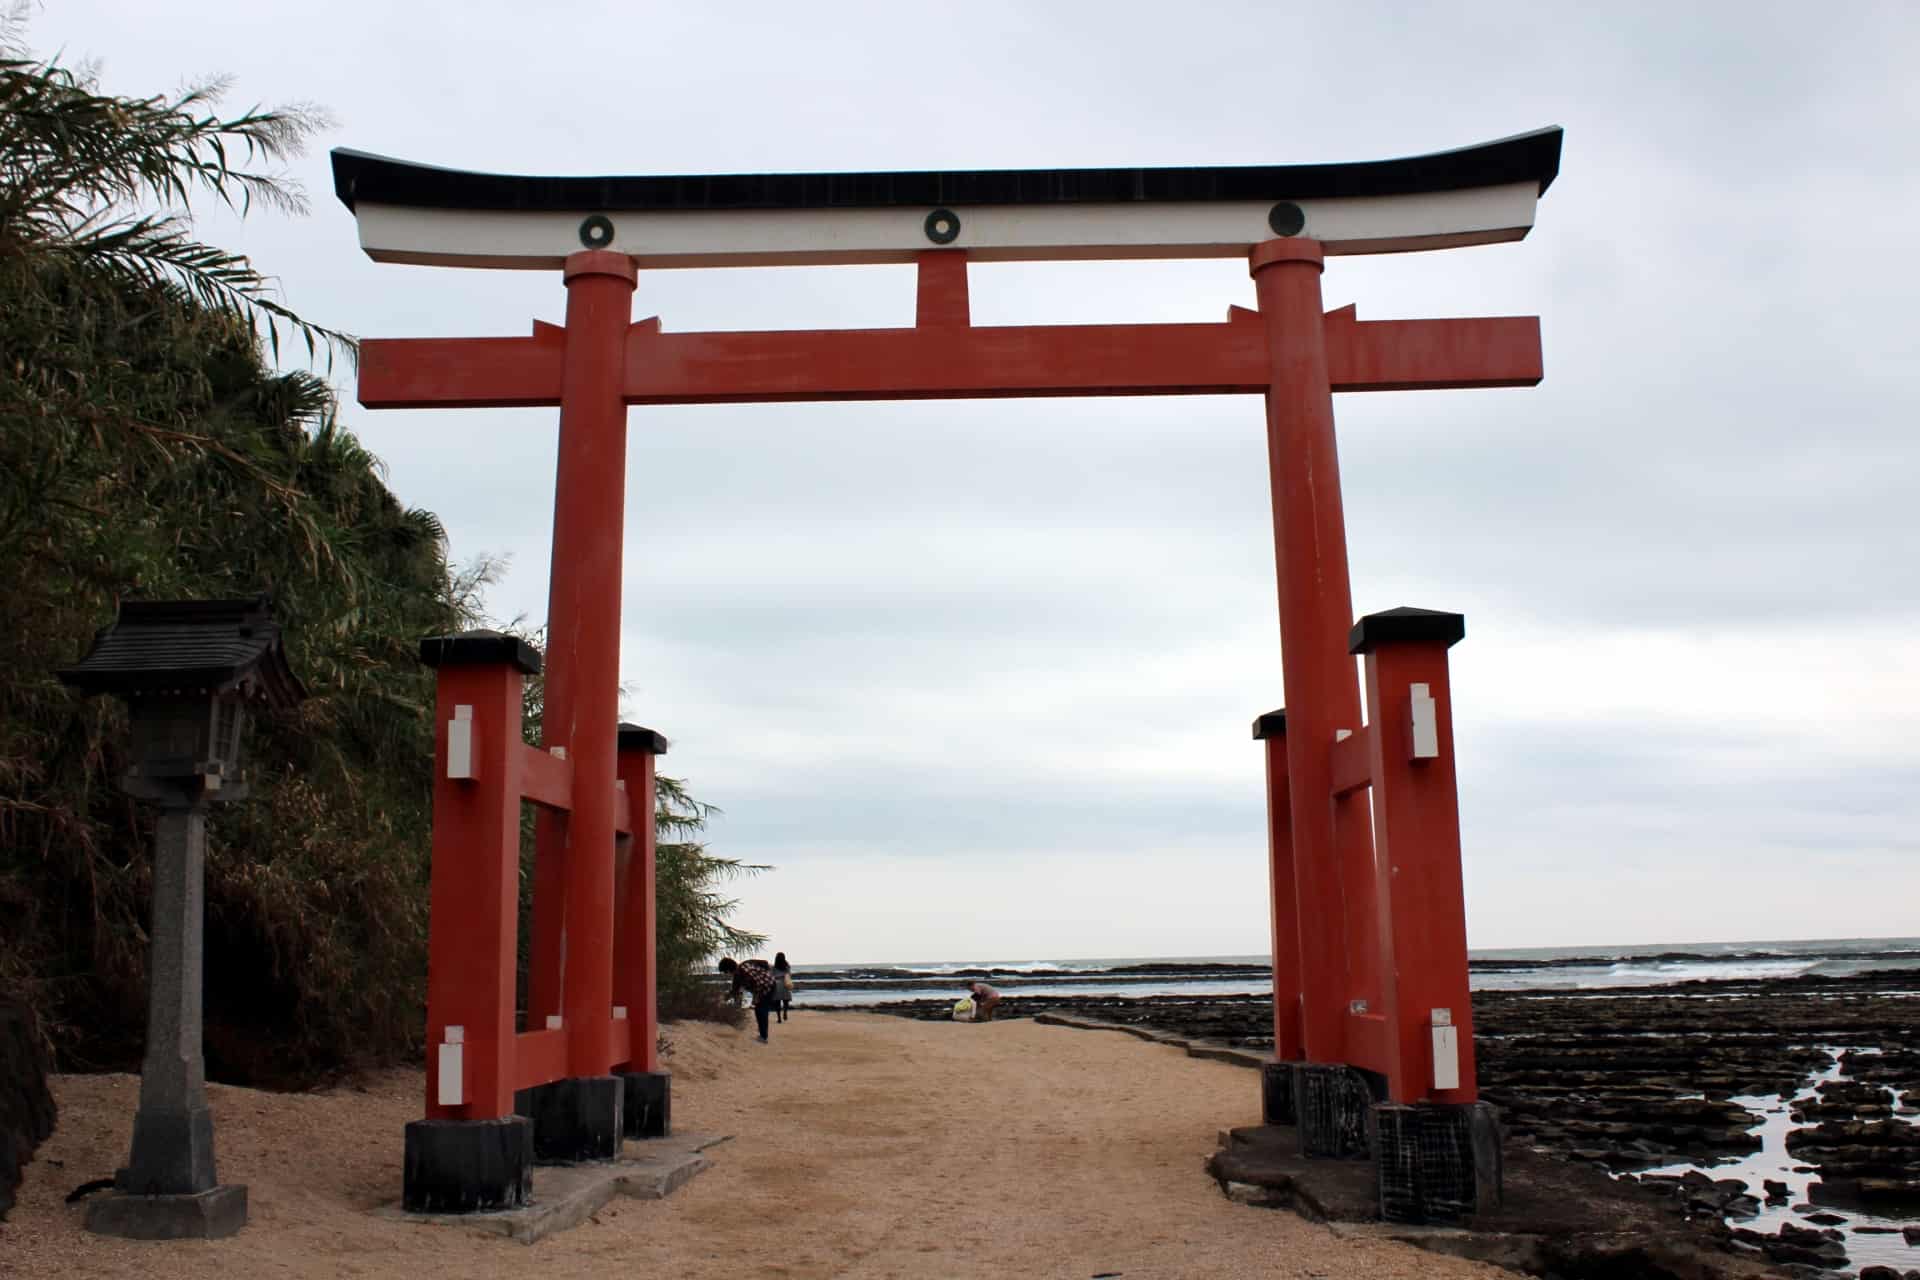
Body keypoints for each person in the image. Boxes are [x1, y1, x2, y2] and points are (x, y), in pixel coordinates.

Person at [719, 956, 778, 1042]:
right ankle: (762, 1033)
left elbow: (758, 983)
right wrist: (723, 998)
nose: (726, 974)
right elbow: (734, 990)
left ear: (728, 969)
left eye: (725, 972)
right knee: (759, 1009)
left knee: (761, 1009)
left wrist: (756, 997)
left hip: (769, 985)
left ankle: (763, 1036)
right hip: (762, 987)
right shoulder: (737, 975)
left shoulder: (744, 970)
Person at [772, 951, 794, 1023]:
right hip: (785, 983)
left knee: (777, 1002)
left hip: (777, 984)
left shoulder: (774, 967)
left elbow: (772, 976)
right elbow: (789, 974)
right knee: (786, 1000)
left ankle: (779, 1018)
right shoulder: (787, 966)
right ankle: (785, 1012)